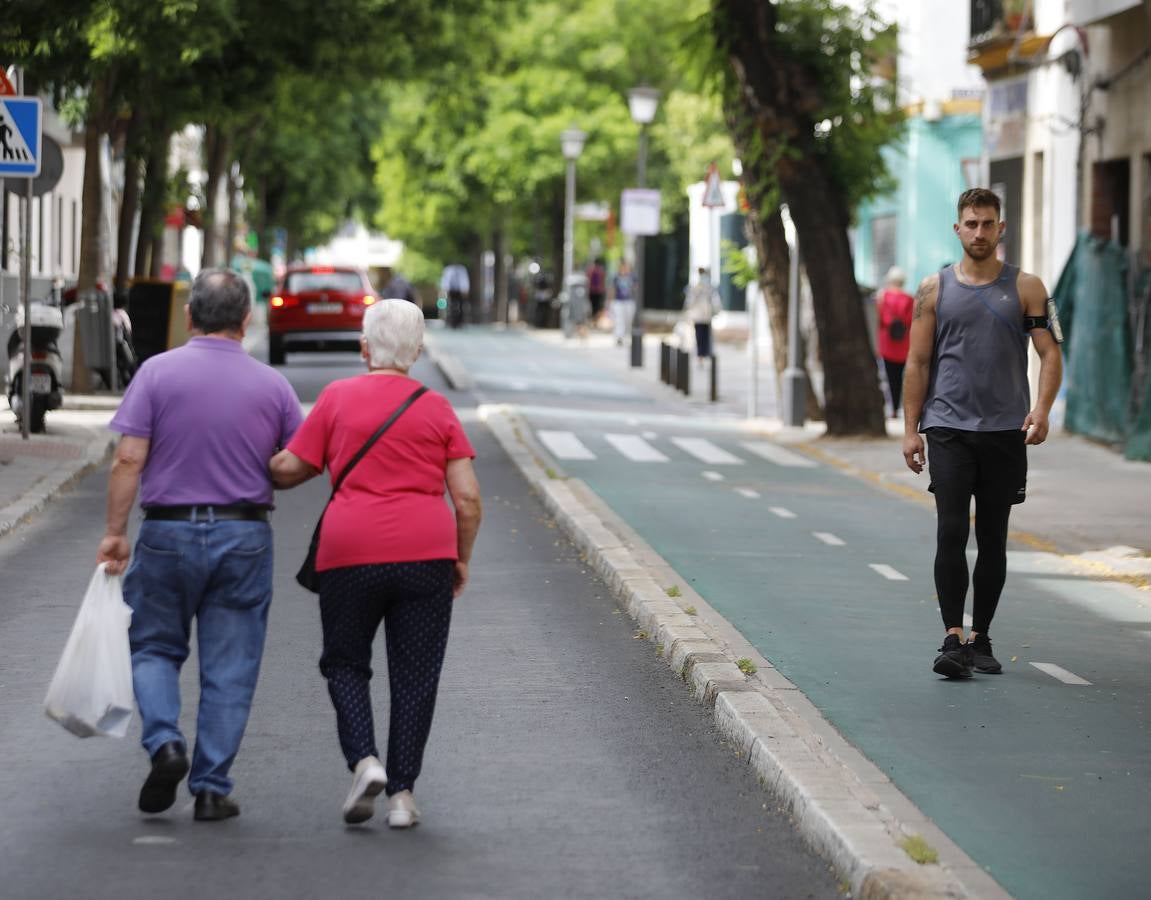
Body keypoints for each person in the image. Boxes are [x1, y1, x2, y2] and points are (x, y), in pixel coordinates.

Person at [96, 269, 303, 821]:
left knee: (153, 647)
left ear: (189, 317)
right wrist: (268, 475)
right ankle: (211, 788)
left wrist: (116, 532)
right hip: (244, 534)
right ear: (247, 319)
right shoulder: (273, 386)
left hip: (167, 532)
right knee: (231, 664)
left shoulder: (156, 374)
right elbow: (296, 462)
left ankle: (165, 743)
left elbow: (128, 458)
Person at [269, 299, 482, 828]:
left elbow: (291, 469)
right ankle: (403, 797)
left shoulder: (337, 398)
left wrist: (257, 458)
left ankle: (365, 760)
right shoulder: (437, 408)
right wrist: (461, 557)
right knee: (415, 678)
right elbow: (469, 500)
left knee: (344, 662)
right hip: (427, 556)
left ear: (365, 348)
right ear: (417, 351)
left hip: (350, 553)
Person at [902, 188, 1062, 680]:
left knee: (993, 539)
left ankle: (982, 638)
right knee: (951, 529)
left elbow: (1050, 353)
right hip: (948, 427)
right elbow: (918, 361)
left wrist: (1041, 409)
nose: (978, 232)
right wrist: (911, 429)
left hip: (1004, 430)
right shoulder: (933, 290)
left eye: (987, 224)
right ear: (957, 229)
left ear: (1000, 229)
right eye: (970, 224)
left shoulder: (1028, 287)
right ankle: (952, 636)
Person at [875, 266, 914, 416]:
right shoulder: (909, 299)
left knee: (889, 377)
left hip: (886, 345)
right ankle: (898, 405)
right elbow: (910, 322)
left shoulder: (882, 297)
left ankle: (893, 408)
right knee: (901, 378)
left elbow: (880, 320)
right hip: (904, 345)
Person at [682, 267, 722, 365]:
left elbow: (689, 302)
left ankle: (703, 355)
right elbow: (690, 301)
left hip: (704, 317)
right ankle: (701, 355)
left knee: (702, 336)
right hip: (700, 317)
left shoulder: (706, 288)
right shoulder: (697, 287)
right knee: (702, 336)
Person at [611, 261, 637, 346]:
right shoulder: (616, 277)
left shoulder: (632, 277)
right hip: (618, 301)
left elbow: (636, 288)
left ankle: (626, 336)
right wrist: (610, 301)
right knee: (619, 319)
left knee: (628, 320)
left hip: (629, 301)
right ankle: (619, 337)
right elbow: (612, 289)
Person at [439, 263, 470, 329]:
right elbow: (446, 280)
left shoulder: (461, 269)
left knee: (461, 306)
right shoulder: (448, 269)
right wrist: (444, 290)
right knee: (451, 306)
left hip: (460, 290)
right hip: (451, 290)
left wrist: (465, 290)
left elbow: (464, 280)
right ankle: (451, 321)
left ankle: (460, 322)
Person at [586, 257, 607, 322]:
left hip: (592, 291)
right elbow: (603, 281)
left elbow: (588, 280)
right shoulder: (601, 271)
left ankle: (594, 319)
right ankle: (595, 319)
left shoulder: (591, 270)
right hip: (599, 291)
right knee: (598, 306)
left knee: (593, 306)